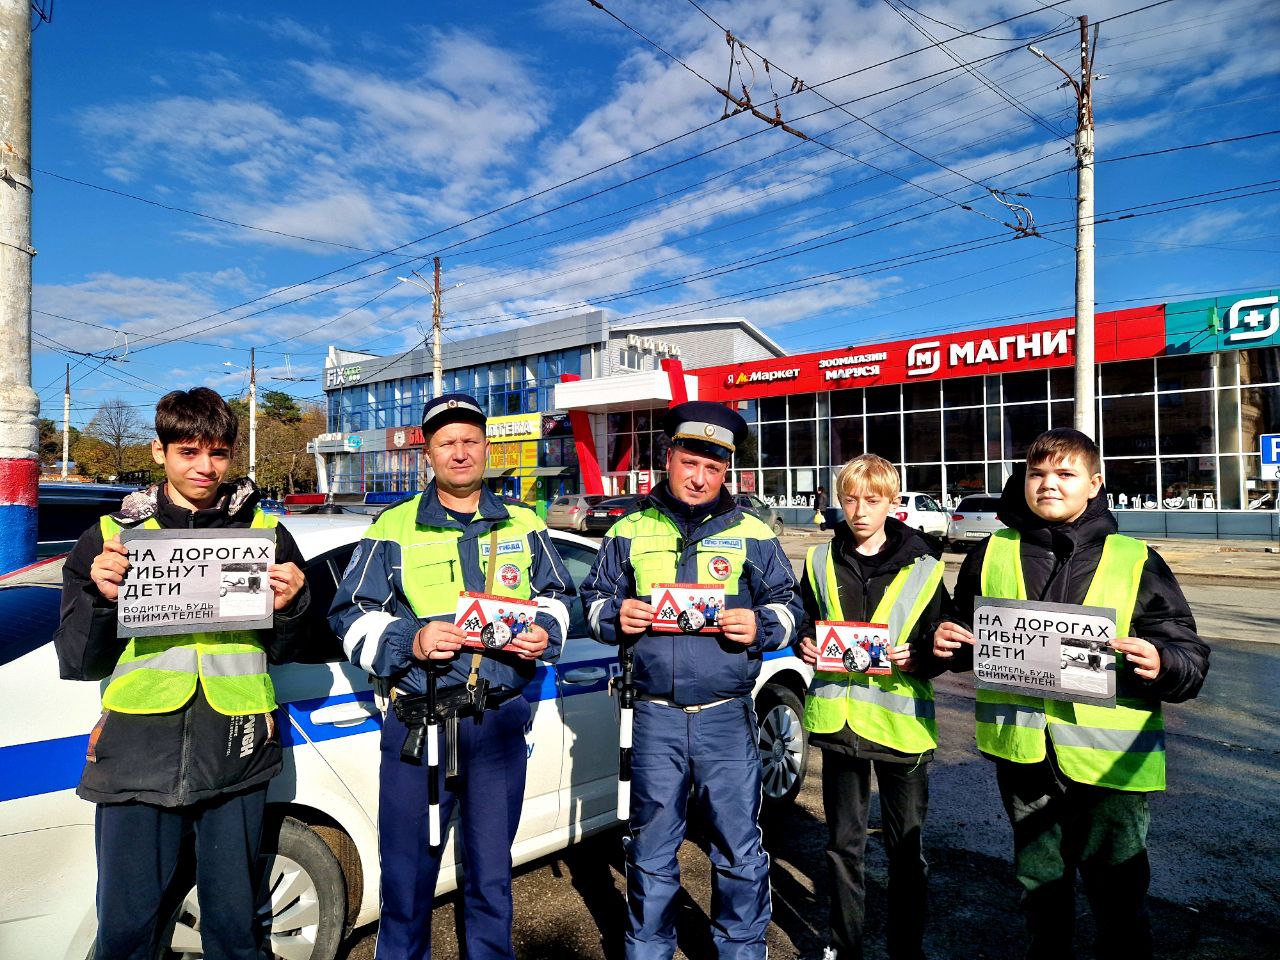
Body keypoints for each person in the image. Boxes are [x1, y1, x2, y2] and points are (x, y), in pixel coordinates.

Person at [933, 428, 1209, 960]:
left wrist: (1163, 661)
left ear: (1095, 483)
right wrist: (947, 640)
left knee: (1119, 894)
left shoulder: (1134, 558)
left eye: (1065, 474)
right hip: (1024, 754)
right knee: (1039, 886)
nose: (1048, 484)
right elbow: (964, 631)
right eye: (1037, 474)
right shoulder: (991, 552)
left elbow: (1188, 654)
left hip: (1111, 762)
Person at [53, 387, 309, 960]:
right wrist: (98, 596)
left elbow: (290, 647)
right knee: (126, 930)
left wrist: (295, 603)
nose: (204, 467)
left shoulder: (264, 532)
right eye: (188, 451)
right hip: (137, 753)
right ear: (158, 452)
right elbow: (77, 659)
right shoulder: (112, 536)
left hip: (237, 747)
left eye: (217, 453)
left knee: (235, 928)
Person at [329, 393, 574, 960]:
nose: (460, 453)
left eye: (469, 441)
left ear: (487, 448)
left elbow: (561, 595)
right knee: (408, 881)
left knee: (492, 875)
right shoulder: (394, 526)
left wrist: (546, 631)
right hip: (422, 728)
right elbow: (348, 615)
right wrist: (407, 641)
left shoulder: (525, 522)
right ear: (429, 454)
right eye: (446, 443)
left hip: (499, 725)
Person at [580, 399, 803, 960]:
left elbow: (792, 608)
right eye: (690, 462)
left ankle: (743, 952)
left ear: (727, 470)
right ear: (669, 457)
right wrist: (614, 616)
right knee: (651, 851)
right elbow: (593, 600)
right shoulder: (628, 529)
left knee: (738, 852)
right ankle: (647, 950)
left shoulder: (754, 531)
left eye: (714, 467)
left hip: (727, 719)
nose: (700, 478)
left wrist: (761, 624)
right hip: (653, 718)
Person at [795, 454, 949, 960]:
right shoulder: (819, 560)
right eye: (851, 499)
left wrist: (922, 654)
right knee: (844, 849)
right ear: (839, 500)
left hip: (901, 729)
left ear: (893, 503)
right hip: (839, 725)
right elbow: (805, 621)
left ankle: (906, 949)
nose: (860, 510)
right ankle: (846, 946)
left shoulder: (926, 567)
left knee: (906, 853)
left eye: (873, 499)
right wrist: (803, 643)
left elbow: (946, 643)